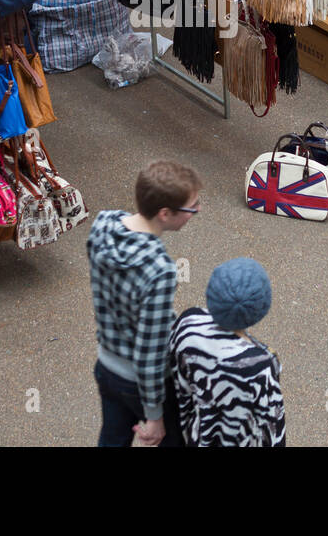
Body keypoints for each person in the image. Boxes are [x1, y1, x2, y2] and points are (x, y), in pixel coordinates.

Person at [87, 160, 200, 446]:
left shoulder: (103, 225)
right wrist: (154, 416)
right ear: (165, 213)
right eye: (192, 207)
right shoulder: (159, 269)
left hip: (107, 366)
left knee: (112, 438)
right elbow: (150, 351)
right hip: (140, 383)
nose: (196, 212)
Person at [170, 258, 285, 447]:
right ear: (261, 308)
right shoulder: (262, 364)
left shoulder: (188, 323)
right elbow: (272, 427)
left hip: (195, 433)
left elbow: (176, 380)